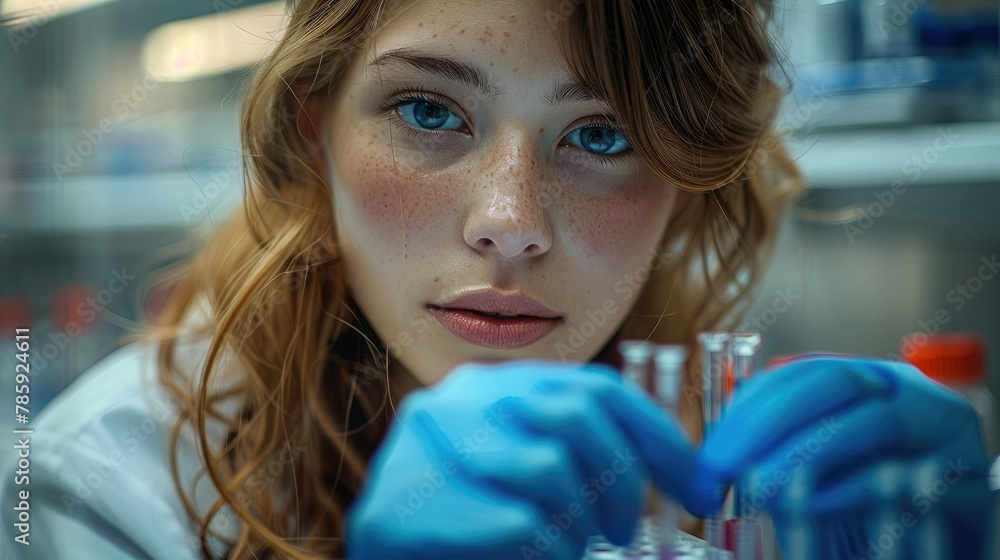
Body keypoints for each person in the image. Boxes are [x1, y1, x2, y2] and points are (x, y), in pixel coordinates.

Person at [1, 0, 994, 559]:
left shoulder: (738, 462)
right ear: (315, 132)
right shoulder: (96, 484)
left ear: (686, 187)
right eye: (429, 112)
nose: (509, 225)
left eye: (601, 135)